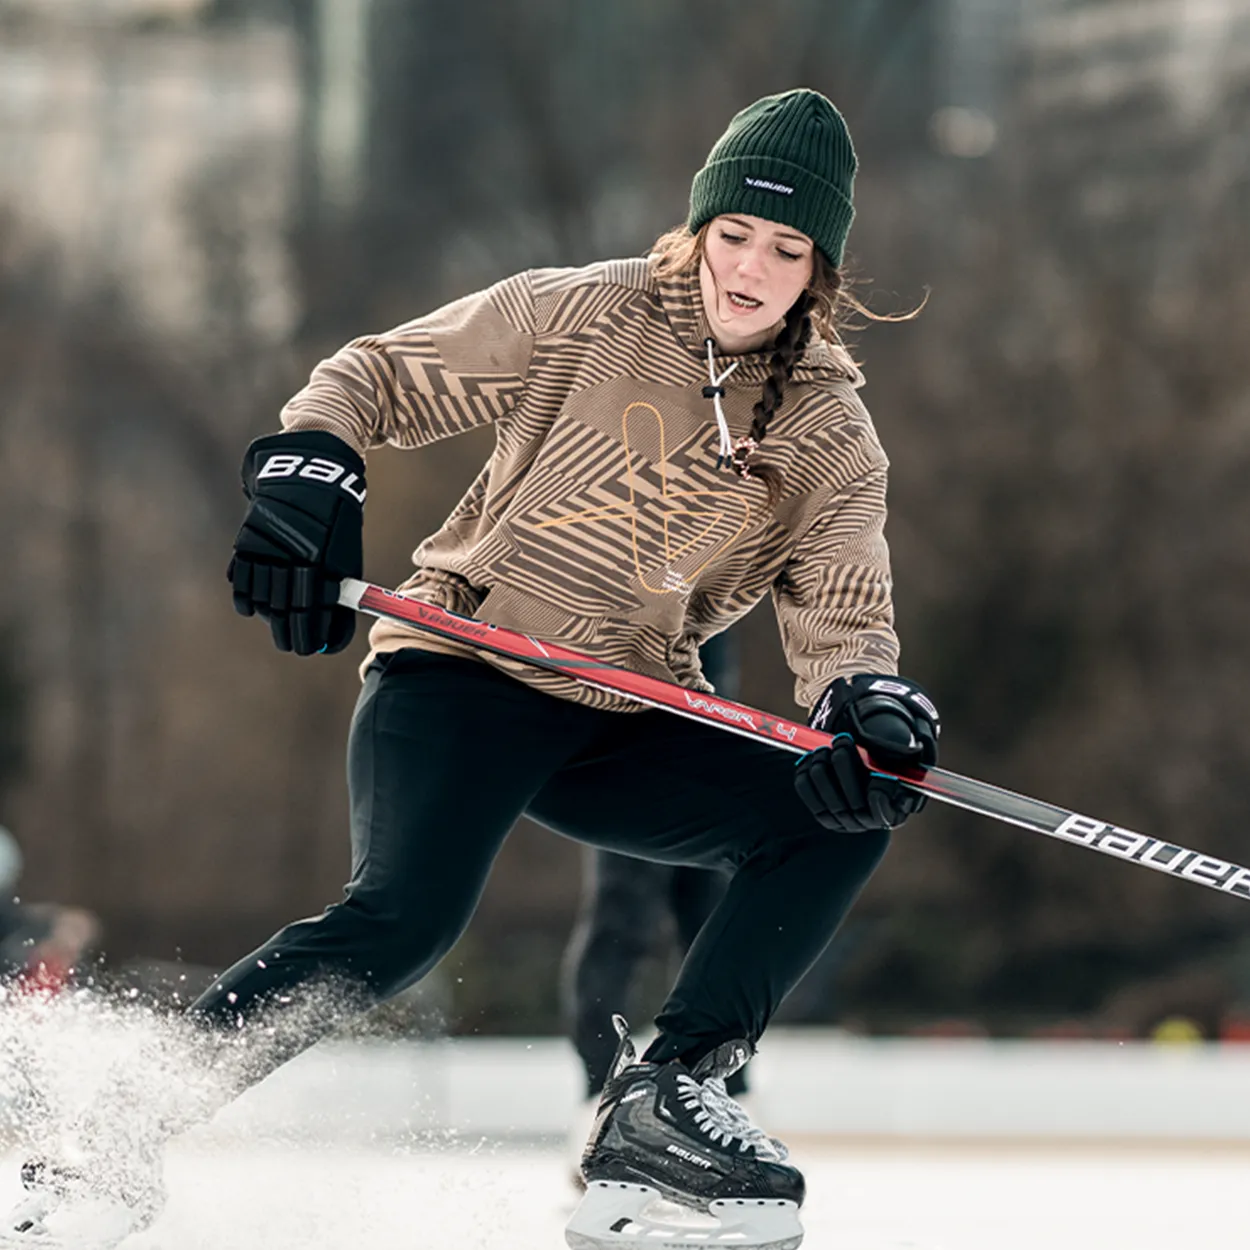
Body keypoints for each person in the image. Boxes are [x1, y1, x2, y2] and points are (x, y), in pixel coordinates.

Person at [4, 88, 940, 1250]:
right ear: (696, 228)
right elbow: (375, 377)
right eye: (731, 235)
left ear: (822, 269)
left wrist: (864, 702)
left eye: (785, 247)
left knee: (841, 814)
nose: (747, 267)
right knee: (403, 919)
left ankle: (665, 1095)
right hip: (461, 670)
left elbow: (843, 612)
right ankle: (113, 1128)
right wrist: (308, 474)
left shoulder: (830, 434)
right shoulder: (584, 312)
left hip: (622, 703)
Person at [560, 632, 749, 1187]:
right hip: (626, 720)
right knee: (621, 918)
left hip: (711, 731)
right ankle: (599, 1094)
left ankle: (722, 1090)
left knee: (715, 918)